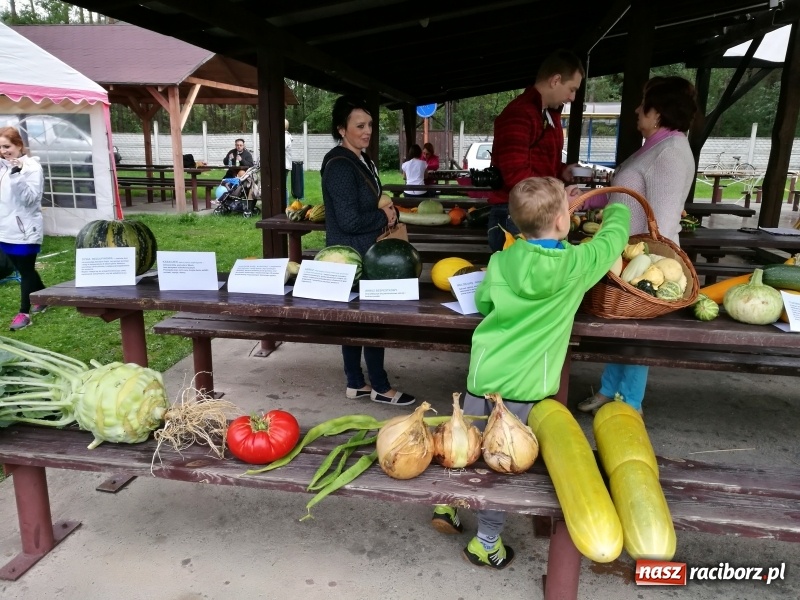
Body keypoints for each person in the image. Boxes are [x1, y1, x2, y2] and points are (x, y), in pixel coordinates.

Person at [432, 176, 630, 569]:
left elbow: (486, 301)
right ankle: (486, 542)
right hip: (524, 388)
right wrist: (619, 209)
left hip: (483, 374)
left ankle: (445, 505)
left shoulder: (503, 259)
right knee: (502, 462)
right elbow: (613, 241)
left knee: (465, 443)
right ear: (563, 222)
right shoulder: (576, 264)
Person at [577, 76, 699, 417]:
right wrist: (588, 200)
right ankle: (608, 390)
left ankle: (628, 404)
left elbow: (659, 217)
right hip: (627, 252)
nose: (635, 110)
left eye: (641, 104)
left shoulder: (671, 152)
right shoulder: (656, 146)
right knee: (624, 329)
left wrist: (644, 262)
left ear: (656, 112)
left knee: (636, 331)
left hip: (648, 260)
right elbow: (628, 193)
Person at [320, 95, 415, 406]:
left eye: (370, 125)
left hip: (365, 253)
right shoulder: (339, 166)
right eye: (359, 125)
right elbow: (348, 221)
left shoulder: (362, 159)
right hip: (353, 255)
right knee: (371, 321)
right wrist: (384, 216)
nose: (367, 130)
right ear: (341, 129)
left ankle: (356, 383)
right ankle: (380, 387)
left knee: (360, 322)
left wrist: (388, 212)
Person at [486, 49, 586, 252]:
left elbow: (538, 165)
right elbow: (516, 175)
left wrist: (562, 171)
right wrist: (559, 196)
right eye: (572, 89)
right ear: (556, 80)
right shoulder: (519, 113)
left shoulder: (546, 113)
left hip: (533, 213)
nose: (573, 97)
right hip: (514, 216)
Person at [0, 126, 47, 331]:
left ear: (19, 145)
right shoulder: (2, 167)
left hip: (25, 229)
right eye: (0, 147)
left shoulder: (31, 168)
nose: (3, 150)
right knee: (21, 267)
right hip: (4, 228)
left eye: (7, 146)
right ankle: (44, 295)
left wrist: (17, 174)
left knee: (26, 269)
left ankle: (24, 313)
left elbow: (30, 200)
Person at [284, 119, 293, 206]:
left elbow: (281, 147)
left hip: (284, 165)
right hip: (285, 164)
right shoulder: (286, 136)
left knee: (283, 187)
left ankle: (285, 206)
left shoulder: (285, 137)